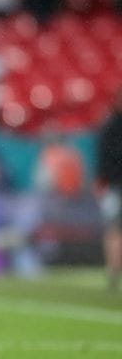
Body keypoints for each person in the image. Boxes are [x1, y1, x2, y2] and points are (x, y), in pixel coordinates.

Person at [95, 87, 122, 292]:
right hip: (115, 186)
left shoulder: (109, 126)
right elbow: (104, 161)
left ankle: (113, 273)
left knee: (114, 230)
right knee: (114, 230)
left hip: (113, 185)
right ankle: (113, 272)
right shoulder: (110, 127)